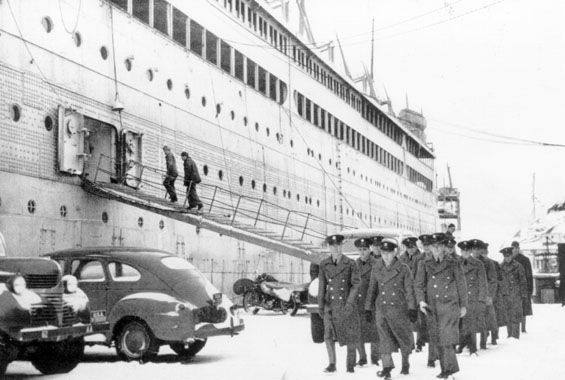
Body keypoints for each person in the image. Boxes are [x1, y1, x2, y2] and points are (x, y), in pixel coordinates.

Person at [414, 232, 468, 379]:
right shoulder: (424, 264)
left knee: (447, 337)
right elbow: (418, 285)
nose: (436, 249)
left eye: (439, 246)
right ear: (429, 247)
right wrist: (421, 301)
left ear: (444, 247)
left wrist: (463, 306)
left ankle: (448, 370)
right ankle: (447, 369)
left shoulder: (453, 263)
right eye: (433, 246)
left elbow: (461, 285)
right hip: (432, 307)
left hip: (450, 306)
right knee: (438, 338)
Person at [365, 240, 417, 380]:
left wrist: (412, 308)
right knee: (384, 339)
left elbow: (410, 291)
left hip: (399, 310)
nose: (386, 256)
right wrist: (368, 308)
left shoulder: (404, 269)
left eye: (389, 253)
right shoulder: (376, 268)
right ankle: (387, 368)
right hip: (382, 309)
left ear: (395, 252)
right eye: (383, 253)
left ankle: (405, 363)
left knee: (403, 338)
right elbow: (372, 290)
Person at [318, 234, 360, 373]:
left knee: (350, 334)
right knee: (328, 335)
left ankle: (350, 364)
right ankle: (332, 363)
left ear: (342, 246)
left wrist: (350, 303)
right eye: (332, 246)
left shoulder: (350, 263)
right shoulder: (324, 264)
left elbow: (355, 285)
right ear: (329, 247)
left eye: (338, 245)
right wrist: (320, 305)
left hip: (345, 304)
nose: (335, 249)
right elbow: (322, 286)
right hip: (330, 304)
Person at [456, 240, 487, 355]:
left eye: (467, 250)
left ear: (470, 251)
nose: (465, 252)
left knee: (471, 324)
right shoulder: (455, 263)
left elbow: (482, 283)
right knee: (459, 323)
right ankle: (460, 344)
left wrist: (481, 300)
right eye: (463, 250)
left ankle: (472, 347)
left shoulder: (478, 264)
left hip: (472, 298)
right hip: (458, 297)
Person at [354, 238, 380, 367]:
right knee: (359, 330)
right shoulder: (354, 265)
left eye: (365, 249)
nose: (362, 252)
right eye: (360, 250)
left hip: (373, 302)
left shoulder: (377, 264)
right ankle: (362, 357)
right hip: (358, 302)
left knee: (375, 330)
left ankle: (375, 358)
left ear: (369, 250)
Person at [469, 239, 498, 349]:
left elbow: (493, 280)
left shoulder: (488, 263)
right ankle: (470, 343)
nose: (476, 251)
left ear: (481, 250)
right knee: (470, 320)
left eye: (478, 249)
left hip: (484, 295)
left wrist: (489, 295)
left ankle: (483, 342)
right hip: (471, 295)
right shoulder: (465, 261)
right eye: (474, 249)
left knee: (484, 320)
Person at [399, 237, 426, 352]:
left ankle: (420, 342)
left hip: (417, 291)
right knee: (407, 319)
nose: (411, 250)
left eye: (413, 247)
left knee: (420, 319)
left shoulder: (420, 258)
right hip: (405, 291)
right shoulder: (401, 259)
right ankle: (410, 343)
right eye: (409, 247)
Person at [499, 247, 528, 339]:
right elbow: (499, 281)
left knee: (516, 315)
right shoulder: (500, 267)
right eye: (505, 256)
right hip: (505, 294)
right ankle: (509, 334)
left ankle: (515, 335)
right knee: (507, 315)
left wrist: (523, 295)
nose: (507, 258)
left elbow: (523, 281)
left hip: (516, 294)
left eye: (508, 256)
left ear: (511, 255)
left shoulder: (518, 266)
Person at [418, 234, 437, 367]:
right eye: (424, 246)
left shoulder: (443, 259)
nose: (427, 248)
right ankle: (432, 356)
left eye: (429, 245)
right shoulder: (420, 261)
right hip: (427, 299)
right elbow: (416, 281)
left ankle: (436, 355)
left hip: (443, 299)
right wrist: (419, 299)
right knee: (430, 328)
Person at [511, 241, 533, 333]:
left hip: (524, 287)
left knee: (524, 308)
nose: (515, 250)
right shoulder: (509, 259)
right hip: (512, 288)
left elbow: (529, 275)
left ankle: (523, 328)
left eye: (517, 248)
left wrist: (530, 289)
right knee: (513, 309)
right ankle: (513, 329)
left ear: (519, 249)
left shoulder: (525, 260)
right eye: (513, 248)